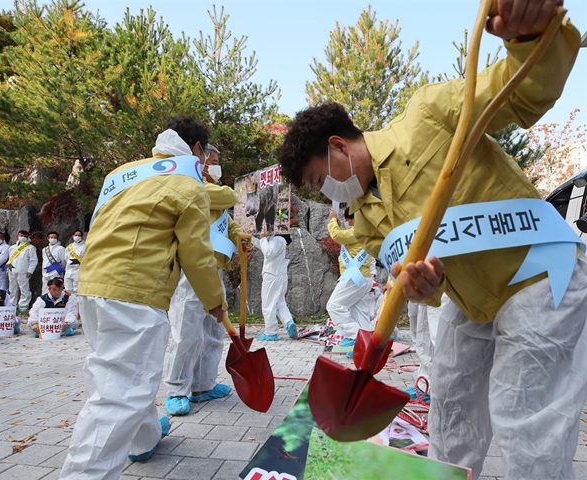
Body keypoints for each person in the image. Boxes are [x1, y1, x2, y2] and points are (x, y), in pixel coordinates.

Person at [276, 3, 585, 478]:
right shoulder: (368, 220)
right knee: (451, 404)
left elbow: (517, 92)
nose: (328, 193)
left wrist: (529, 37)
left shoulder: (426, 116)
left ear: (338, 145)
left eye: (321, 179)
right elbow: (428, 287)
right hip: (473, 301)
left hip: (540, 275)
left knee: (526, 422)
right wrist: (423, 286)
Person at [60, 115, 226, 478]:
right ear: (197, 149)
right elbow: (196, 256)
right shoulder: (188, 184)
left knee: (124, 372)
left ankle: (144, 439)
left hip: (92, 283)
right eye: (206, 155)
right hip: (134, 292)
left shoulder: (125, 172)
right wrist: (216, 305)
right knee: (121, 392)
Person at [164, 143, 249, 416]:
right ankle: (176, 390)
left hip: (215, 269)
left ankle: (202, 385)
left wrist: (240, 238)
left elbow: (228, 222)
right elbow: (229, 197)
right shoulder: (194, 185)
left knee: (212, 332)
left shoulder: (212, 195)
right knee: (186, 331)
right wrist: (233, 193)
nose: (216, 165)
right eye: (213, 160)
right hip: (192, 270)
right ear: (200, 160)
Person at [326, 206, 375, 354]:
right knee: (360, 313)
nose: (348, 222)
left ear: (356, 218)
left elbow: (336, 235)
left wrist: (333, 219)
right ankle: (367, 347)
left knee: (333, 306)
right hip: (362, 278)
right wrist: (339, 225)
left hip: (355, 277)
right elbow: (344, 237)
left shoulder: (359, 231)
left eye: (349, 219)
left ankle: (357, 336)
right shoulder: (363, 231)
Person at [251, 230, 296, 341]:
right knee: (279, 302)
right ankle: (288, 322)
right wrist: (252, 239)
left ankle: (270, 332)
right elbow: (265, 247)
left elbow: (268, 253)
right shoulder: (284, 241)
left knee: (268, 304)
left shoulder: (277, 240)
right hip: (281, 276)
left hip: (272, 276)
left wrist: (262, 238)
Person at [7, 230, 38, 314]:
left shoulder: (30, 248)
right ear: (17, 236)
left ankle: (23, 307)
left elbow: (33, 261)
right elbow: (10, 259)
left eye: (24, 235)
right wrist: (7, 269)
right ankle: (12, 306)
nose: (22, 237)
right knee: (12, 289)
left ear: (27, 237)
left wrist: (30, 271)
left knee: (24, 289)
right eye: (21, 235)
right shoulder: (12, 248)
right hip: (12, 270)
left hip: (24, 271)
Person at [64, 230, 85, 294]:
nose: (77, 237)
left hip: (78, 270)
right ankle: (69, 303)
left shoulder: (85, 246)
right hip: (68, 270)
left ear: (82, 237)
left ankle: (77, 303)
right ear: (73, 236)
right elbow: (66, 258)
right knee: (68, 289)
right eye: (76, 235)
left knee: (77, 289)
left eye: (79, 235)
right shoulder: (69, 247)